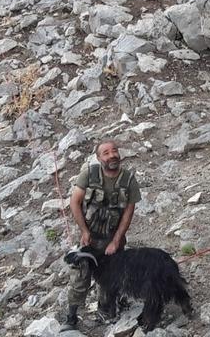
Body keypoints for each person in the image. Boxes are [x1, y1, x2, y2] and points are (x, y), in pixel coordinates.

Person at [60, 140, 142, 332]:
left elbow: (129, 213)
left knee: (110, 278)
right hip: (88, 240)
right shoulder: (89, 174)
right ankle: (71, 317)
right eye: (106, 153)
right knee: (79, 276)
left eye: (114, 151)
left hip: (112, 240)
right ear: (99, 158)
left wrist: (116, 240)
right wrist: (84, 231)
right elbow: (74, 203)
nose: (112, 155)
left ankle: (107, 311)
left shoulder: (128, 180)